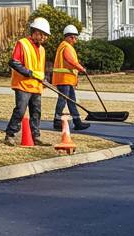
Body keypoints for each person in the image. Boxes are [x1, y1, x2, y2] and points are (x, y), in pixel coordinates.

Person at [5, 17, 50, 146]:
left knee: (36, 112)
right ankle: (10, 134)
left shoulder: (42, 49)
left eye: (46, 36)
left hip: (36, 86)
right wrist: (30, 73)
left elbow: (39, 68)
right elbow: (14, 62)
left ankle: (35, 136)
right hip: (23, 84)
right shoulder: (22, 43)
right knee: (20, 110)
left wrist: (43, 79)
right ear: (35, 32)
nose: (44, 38)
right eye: (43, 35)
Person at [51, 25, 91, 132]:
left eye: (75, 37)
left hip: (67, 79)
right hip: (64, 79)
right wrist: (81, 68)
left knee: (71, 101)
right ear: (67, 37)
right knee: (63, 100)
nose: (75, 40)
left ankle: (77, 122)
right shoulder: (66, 47)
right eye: (73, 37)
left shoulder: (66, 46)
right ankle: (57, 121)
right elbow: (71, 61)